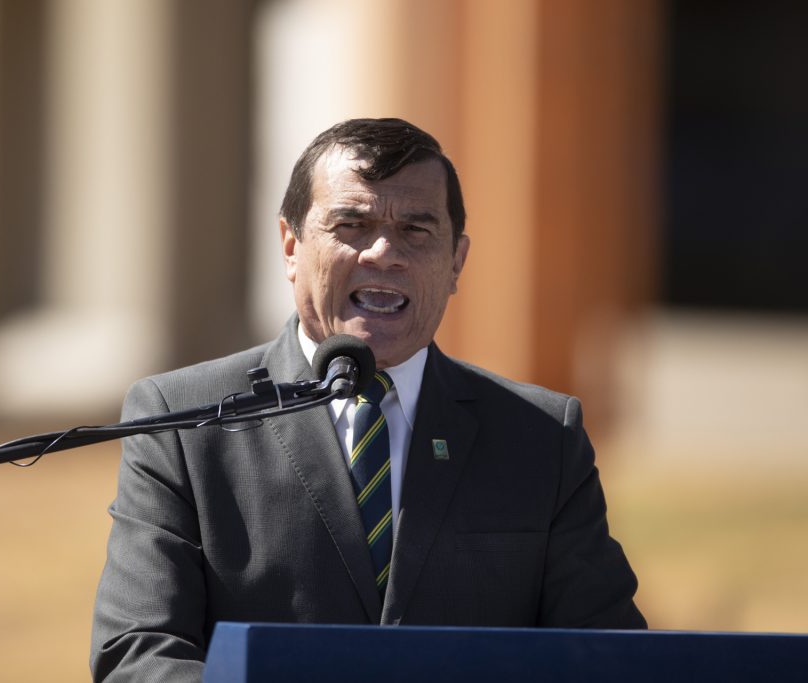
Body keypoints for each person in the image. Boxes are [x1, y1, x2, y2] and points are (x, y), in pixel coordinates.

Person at [91, 118, 646, 681]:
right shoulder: (182, 421)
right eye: (351, 225)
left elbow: (607, 654)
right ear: (290, 246)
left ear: (457, 262)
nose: (384, 252)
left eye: (417, 229)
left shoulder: (541, 438)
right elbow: (137, 655)